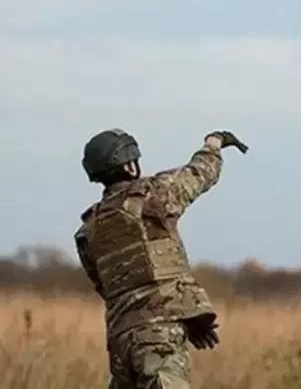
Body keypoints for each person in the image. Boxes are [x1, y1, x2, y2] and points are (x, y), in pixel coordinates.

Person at [74, 129, 247, 389]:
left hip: (121, 344)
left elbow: (110, 288)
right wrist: (214, 143)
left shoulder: (89, 230)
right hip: (158, 339)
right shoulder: (153, 196)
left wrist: (185, 313)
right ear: (130, 165)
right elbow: (200, 173)